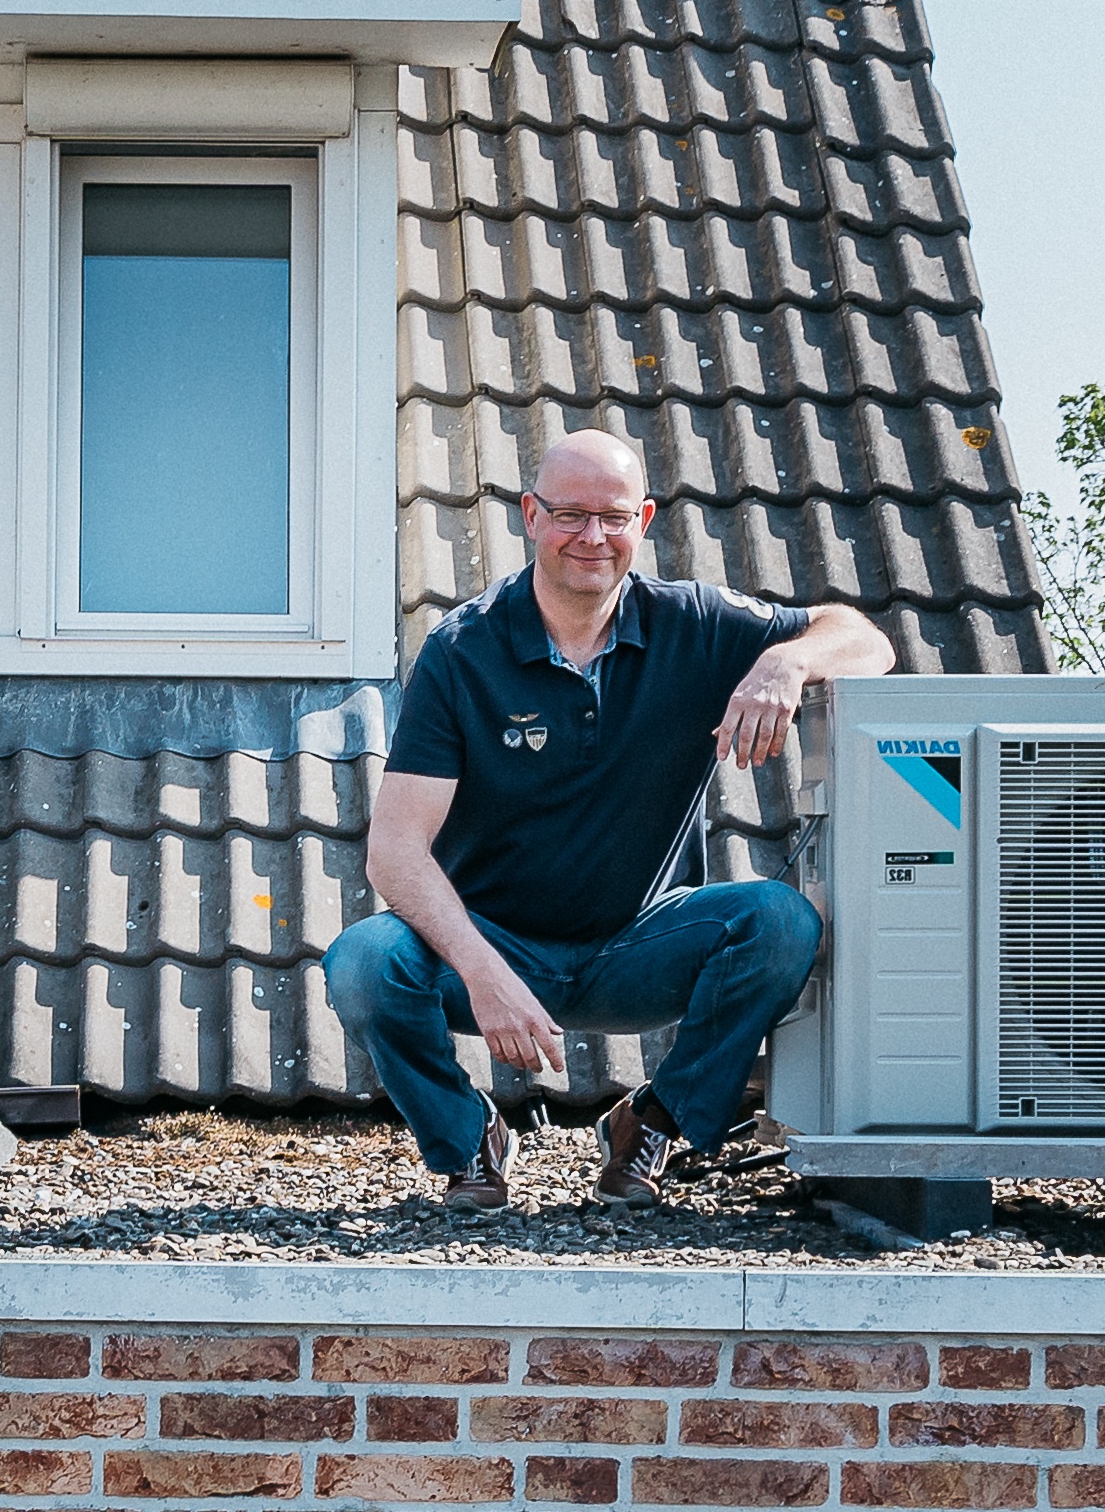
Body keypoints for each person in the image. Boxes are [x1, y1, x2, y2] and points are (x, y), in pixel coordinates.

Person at [319, 428, 896, 1206]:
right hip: (493, 944)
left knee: (781, 921)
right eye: (570, 514)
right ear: (530, 515)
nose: (593, 537)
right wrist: (484, 974)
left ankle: (650, 1123)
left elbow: (866, 640)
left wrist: (785, 662)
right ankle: (467, 1141)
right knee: (363, 962)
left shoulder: (693, 623)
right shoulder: (463, 651)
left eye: (614, 517)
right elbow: (393, 852)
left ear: (645, 520)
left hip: (640, 944)